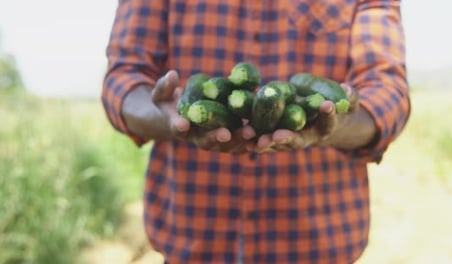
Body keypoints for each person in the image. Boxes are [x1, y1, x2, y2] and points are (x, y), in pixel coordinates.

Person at [102, 1, 410, 263]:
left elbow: (388, 93)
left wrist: (337, 126)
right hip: (191, 238)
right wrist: (167, 117)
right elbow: (124, 79)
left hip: (318, 243)